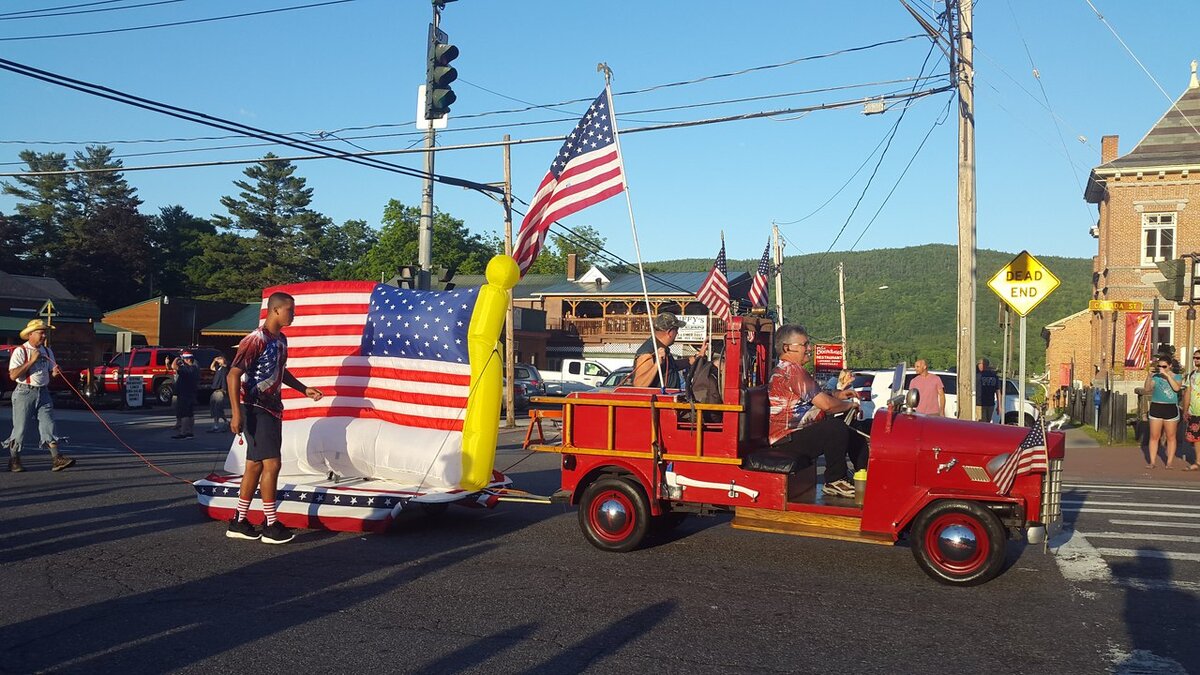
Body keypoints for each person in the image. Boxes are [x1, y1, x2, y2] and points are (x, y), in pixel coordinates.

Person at [226, 292, 324, 544]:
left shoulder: (280, 339)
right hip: (255, 408)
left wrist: (303, 389)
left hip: (272, 408)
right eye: (290, 310)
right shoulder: (255, 339)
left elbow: (280, 370)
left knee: (255, 465)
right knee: (272, 464)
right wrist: (236, 413)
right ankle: (271, 525)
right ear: (275, 310)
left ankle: (239, 520)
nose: (294, 314)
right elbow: (233, 375)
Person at [767, 324, 863, 498]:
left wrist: (839, 395)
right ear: (788, 347)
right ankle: (835, 480)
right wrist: (850, 405)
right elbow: (827, 405)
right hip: (786, 438)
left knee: (851, 428)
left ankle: (862, 476)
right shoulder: (792, 370)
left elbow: (817, 395)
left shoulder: (790, 370)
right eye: (805, 344)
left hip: (795, 434)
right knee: (835, 428)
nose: (809, 348)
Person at [4, 319, 74, 472]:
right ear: (31, 334)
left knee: (49, 424)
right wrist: (32, 361)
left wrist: (55, 372)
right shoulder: (20, 351)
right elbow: (13, 375)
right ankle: (14, 459)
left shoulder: (48, 351)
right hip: (24, 392)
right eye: (41, 333)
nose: (44, 336)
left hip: (43, 392)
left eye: (45, 333)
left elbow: (50, 371)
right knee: (20, 428)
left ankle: (57, 458)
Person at [631, 312, 707, 388]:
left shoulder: (662, 348)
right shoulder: (648, 352)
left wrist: (697, 357)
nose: (677, 333)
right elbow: (639, 385)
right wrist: (657, 365)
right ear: (669, 332)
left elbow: (673, 366)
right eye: (676, 329)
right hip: (658, 399)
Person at [1145, 354, 1182, 469]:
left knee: (1171, 436)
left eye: (1164, 366)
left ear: (1170, 366)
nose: (1161, 368)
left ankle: (1169, 462)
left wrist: (1167, 376)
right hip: (1157, 407)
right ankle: (1152, 462)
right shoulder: (1156, 377)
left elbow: (1176, 388)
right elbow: (1147, 389)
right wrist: (1149, 376)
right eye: (1159, 366)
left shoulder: (1177, 376)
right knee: (1154, 436)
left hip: (1170, 408)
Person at [171, 352, 200, 439]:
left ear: (187, 359)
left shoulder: (187, 369)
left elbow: (174, 366)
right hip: (191, 393)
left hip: (184, 394)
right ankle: (190, 432)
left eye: (184, 359)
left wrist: (176, 358)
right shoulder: (195, 368)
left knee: (184, 414)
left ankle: (183, 432)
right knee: (190, 414)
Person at [1182, 349, 1200, 471]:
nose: (1196, 360)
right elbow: (1187, 391)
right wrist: (1185, 409)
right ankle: (1198, 462)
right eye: (1195, 357)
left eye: (1198, 358)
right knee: (1196, 438)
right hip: (1195, 411)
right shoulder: (1192, 374)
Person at [976, 358, 1001, 423]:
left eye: (980, 364)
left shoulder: (977, 376)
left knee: (982, 423)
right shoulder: (994, 376)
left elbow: (998, 391)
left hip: (981, 403)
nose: (979, 366)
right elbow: (998, 391)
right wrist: (999, 405)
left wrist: (999, 405)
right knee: (986, 422)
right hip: (989, 404)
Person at [208, 355, 230, 433]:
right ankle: (226, 422)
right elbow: (211, 367)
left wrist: (222, 360)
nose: (219, 360)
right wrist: (214, 361)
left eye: (220, 359)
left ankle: (216, 425)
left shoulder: (225, 368)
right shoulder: (219, 368)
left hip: (221, 390)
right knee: (214, 407)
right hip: (215, 390)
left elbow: (226, 365)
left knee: (218, 408)